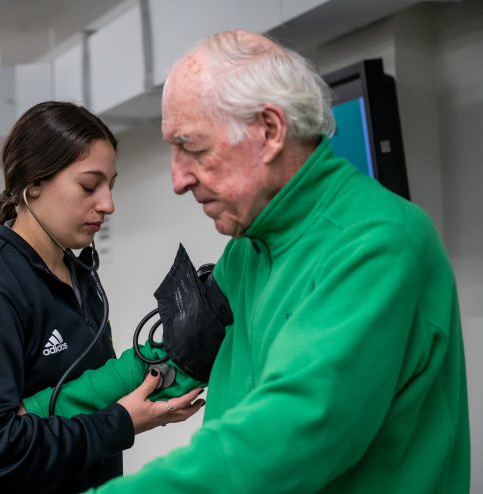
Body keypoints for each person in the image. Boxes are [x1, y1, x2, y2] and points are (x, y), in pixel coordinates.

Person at [85, 30, 470, 493]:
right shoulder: (248, 250)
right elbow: (169, 359)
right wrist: (28, 417)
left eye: (194, 148)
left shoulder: (377, 243)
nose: (178, 179)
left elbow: (285, 437)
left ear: (269, 131)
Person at [0, 101, 205, 494]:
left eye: (111, 186)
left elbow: (83, 396)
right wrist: (121, 422)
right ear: (33, 184)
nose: (108, 204)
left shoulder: (78, 274)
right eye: (90, 186)